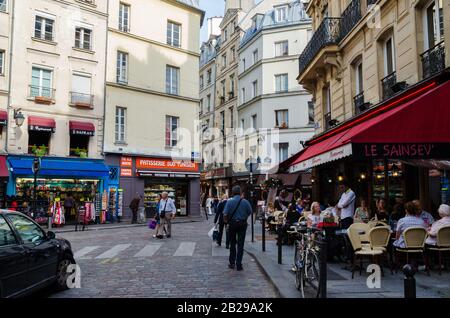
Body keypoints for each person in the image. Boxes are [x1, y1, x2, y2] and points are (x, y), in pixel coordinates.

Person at [223, 185, 252, 271]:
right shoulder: (245, 202)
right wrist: (244, 217)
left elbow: (225, 214)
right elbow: (250, 212)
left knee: (232, 243)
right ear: (240, 193)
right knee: (241, 244)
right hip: (242, 224)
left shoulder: (229, 202)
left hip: (232, 224)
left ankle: (232, 263)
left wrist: (226, 222)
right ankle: (239, 264)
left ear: (232, 193)